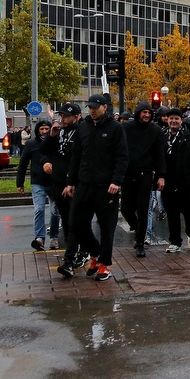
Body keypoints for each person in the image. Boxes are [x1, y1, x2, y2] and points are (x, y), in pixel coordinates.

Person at [64, 94, 128, 281]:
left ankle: (104, 265)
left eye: (95, 107)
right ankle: (96, 253)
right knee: (76, 224)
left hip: (106, 186)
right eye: (90, 107)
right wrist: (70, 182)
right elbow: (76, 157)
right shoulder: (83, 127)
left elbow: (122, 157)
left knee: (107, 227)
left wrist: (116, 181)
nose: (92, 110)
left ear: (104, 107)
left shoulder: (115, 128)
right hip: (84, 184)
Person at [42, 104, 86, 277]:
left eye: (66, 116)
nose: (63, 119)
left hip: (74, 183)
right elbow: (44, 151)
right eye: (61, 116)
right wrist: (51, 136)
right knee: (67, 221)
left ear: (77, 117)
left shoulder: (82, 132)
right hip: (58, 183)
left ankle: (73, 256)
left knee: (76, 220)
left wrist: (72, 181)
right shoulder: (59, 132)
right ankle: (73, 251)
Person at [121, 101, 167, 258]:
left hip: (145, 174)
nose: (146, 115)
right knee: (126, 208)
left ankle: (140, 242)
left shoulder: (156, 130)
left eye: (149, 113)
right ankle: (138, 230)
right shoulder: (126, 128)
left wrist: (161, 175)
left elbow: (160, 154)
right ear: (138, 112)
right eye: (144, 112)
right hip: (128, 174)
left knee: (143, 209)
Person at [161, 108, 190, 253]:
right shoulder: (163, 136)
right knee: (171, 213)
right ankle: (175, 242)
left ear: (181, 120)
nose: (173, 121)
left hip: (187, 181)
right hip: (169, 181)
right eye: (171, 118)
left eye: (176, 119)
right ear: (167, 120)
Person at [16, 118, 61, 251]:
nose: (44, 131)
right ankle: (40, 238)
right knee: (39, 209)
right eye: (41, 129)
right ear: (37, 130)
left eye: (47, 129)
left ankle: (54, 237)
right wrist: (20, 182)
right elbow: (23, 163)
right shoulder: (31, 144)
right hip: (38, 182)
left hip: (54, 182)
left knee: (55, 212)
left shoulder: (57, 142)